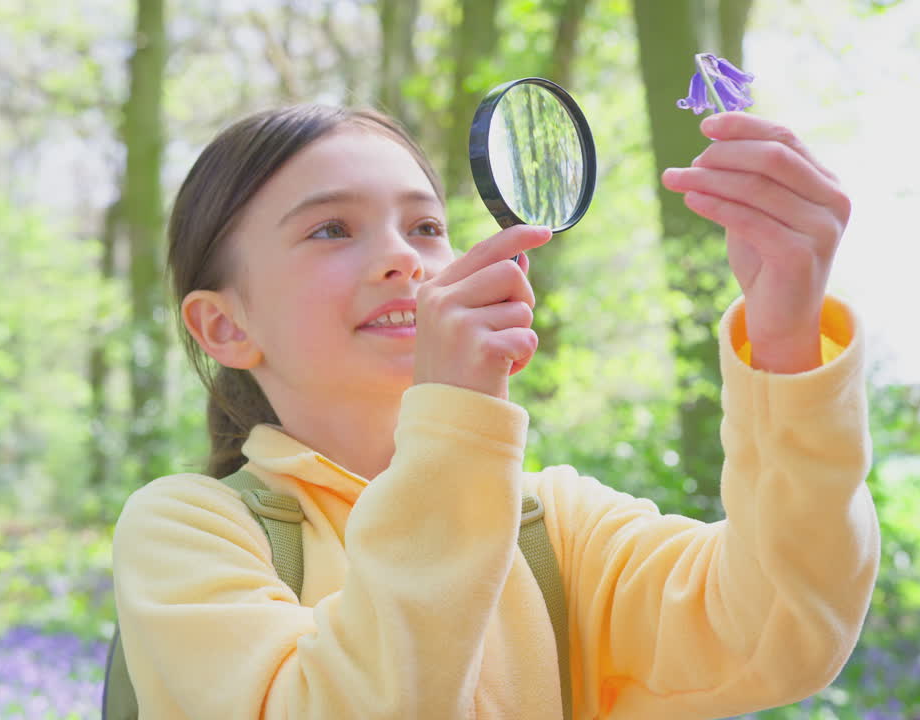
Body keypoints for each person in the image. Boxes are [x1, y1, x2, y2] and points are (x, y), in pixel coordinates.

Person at [111, 103, 879, 719]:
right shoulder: (185, 532)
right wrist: (455, 419)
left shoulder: (557, 530)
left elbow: (783, 629)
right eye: (331, 229)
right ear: (225, 327)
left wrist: (785, 335)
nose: (404, 257)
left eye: (426, 228)